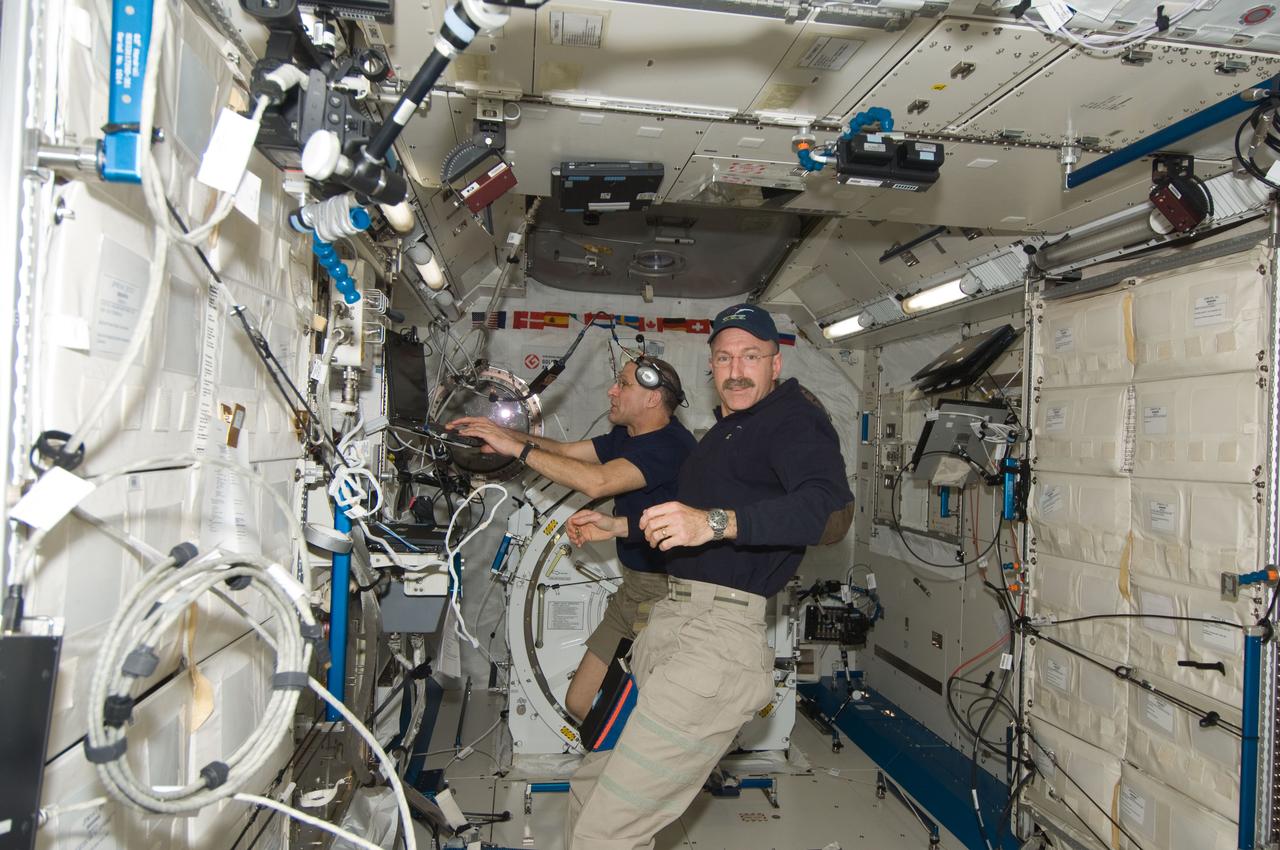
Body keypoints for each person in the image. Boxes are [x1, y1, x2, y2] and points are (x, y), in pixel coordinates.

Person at [564, 303, 854, 850]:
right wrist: (619, 523)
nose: (736, 369)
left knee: (606, 832)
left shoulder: (792, 421)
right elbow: (689, 522)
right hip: (672, 624)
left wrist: (717, 522)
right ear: (710, 366)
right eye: (724, 358)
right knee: (590, 787)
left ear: (775, 363)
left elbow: (827, 510)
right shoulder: (726, 431)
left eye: (750, 356)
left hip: (714, 641)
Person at [447, 355, 695, 721]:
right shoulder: (629, 437)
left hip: (666, 596)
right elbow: (564, 452)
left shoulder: (670, 446)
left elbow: (599, 481)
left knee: (654, 715)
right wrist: (498, 434)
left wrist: (515, 447)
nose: (612, 390)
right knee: (581, 703)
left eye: (623, 384)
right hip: (634, 590)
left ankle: (666, 772)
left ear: (653, 398)